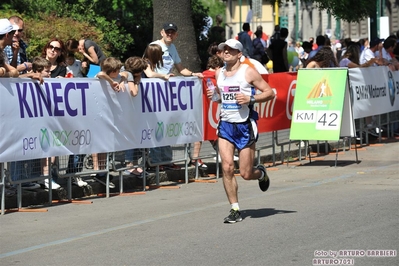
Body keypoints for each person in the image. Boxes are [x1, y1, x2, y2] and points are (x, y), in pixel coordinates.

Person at [210, 39, 275, 223]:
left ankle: (261, 173)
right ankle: (235, 209)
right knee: (227, 167)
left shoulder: (248, 72)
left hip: (245, 125)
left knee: (246, 173)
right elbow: (220, 96)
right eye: (224, 49)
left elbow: (270, 92)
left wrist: (250, 98)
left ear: (239, 54)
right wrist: (214, 96)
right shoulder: (219, 73)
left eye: (231, 50)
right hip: (226, 125)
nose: (227, 52)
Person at [149, 22, 203, 170]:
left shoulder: (172, 48)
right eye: (167, 32)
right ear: (161, 32)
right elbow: (147, 70)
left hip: (166, 92)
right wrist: (163, 76)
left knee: (166, 124)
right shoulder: (154, 46)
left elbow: (181, 69)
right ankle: (155, 161)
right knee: (156, 125)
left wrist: (193, 74)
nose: (170, 34)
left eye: (172, 32)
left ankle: (166, 160)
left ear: (176, 35)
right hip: (154, 91)